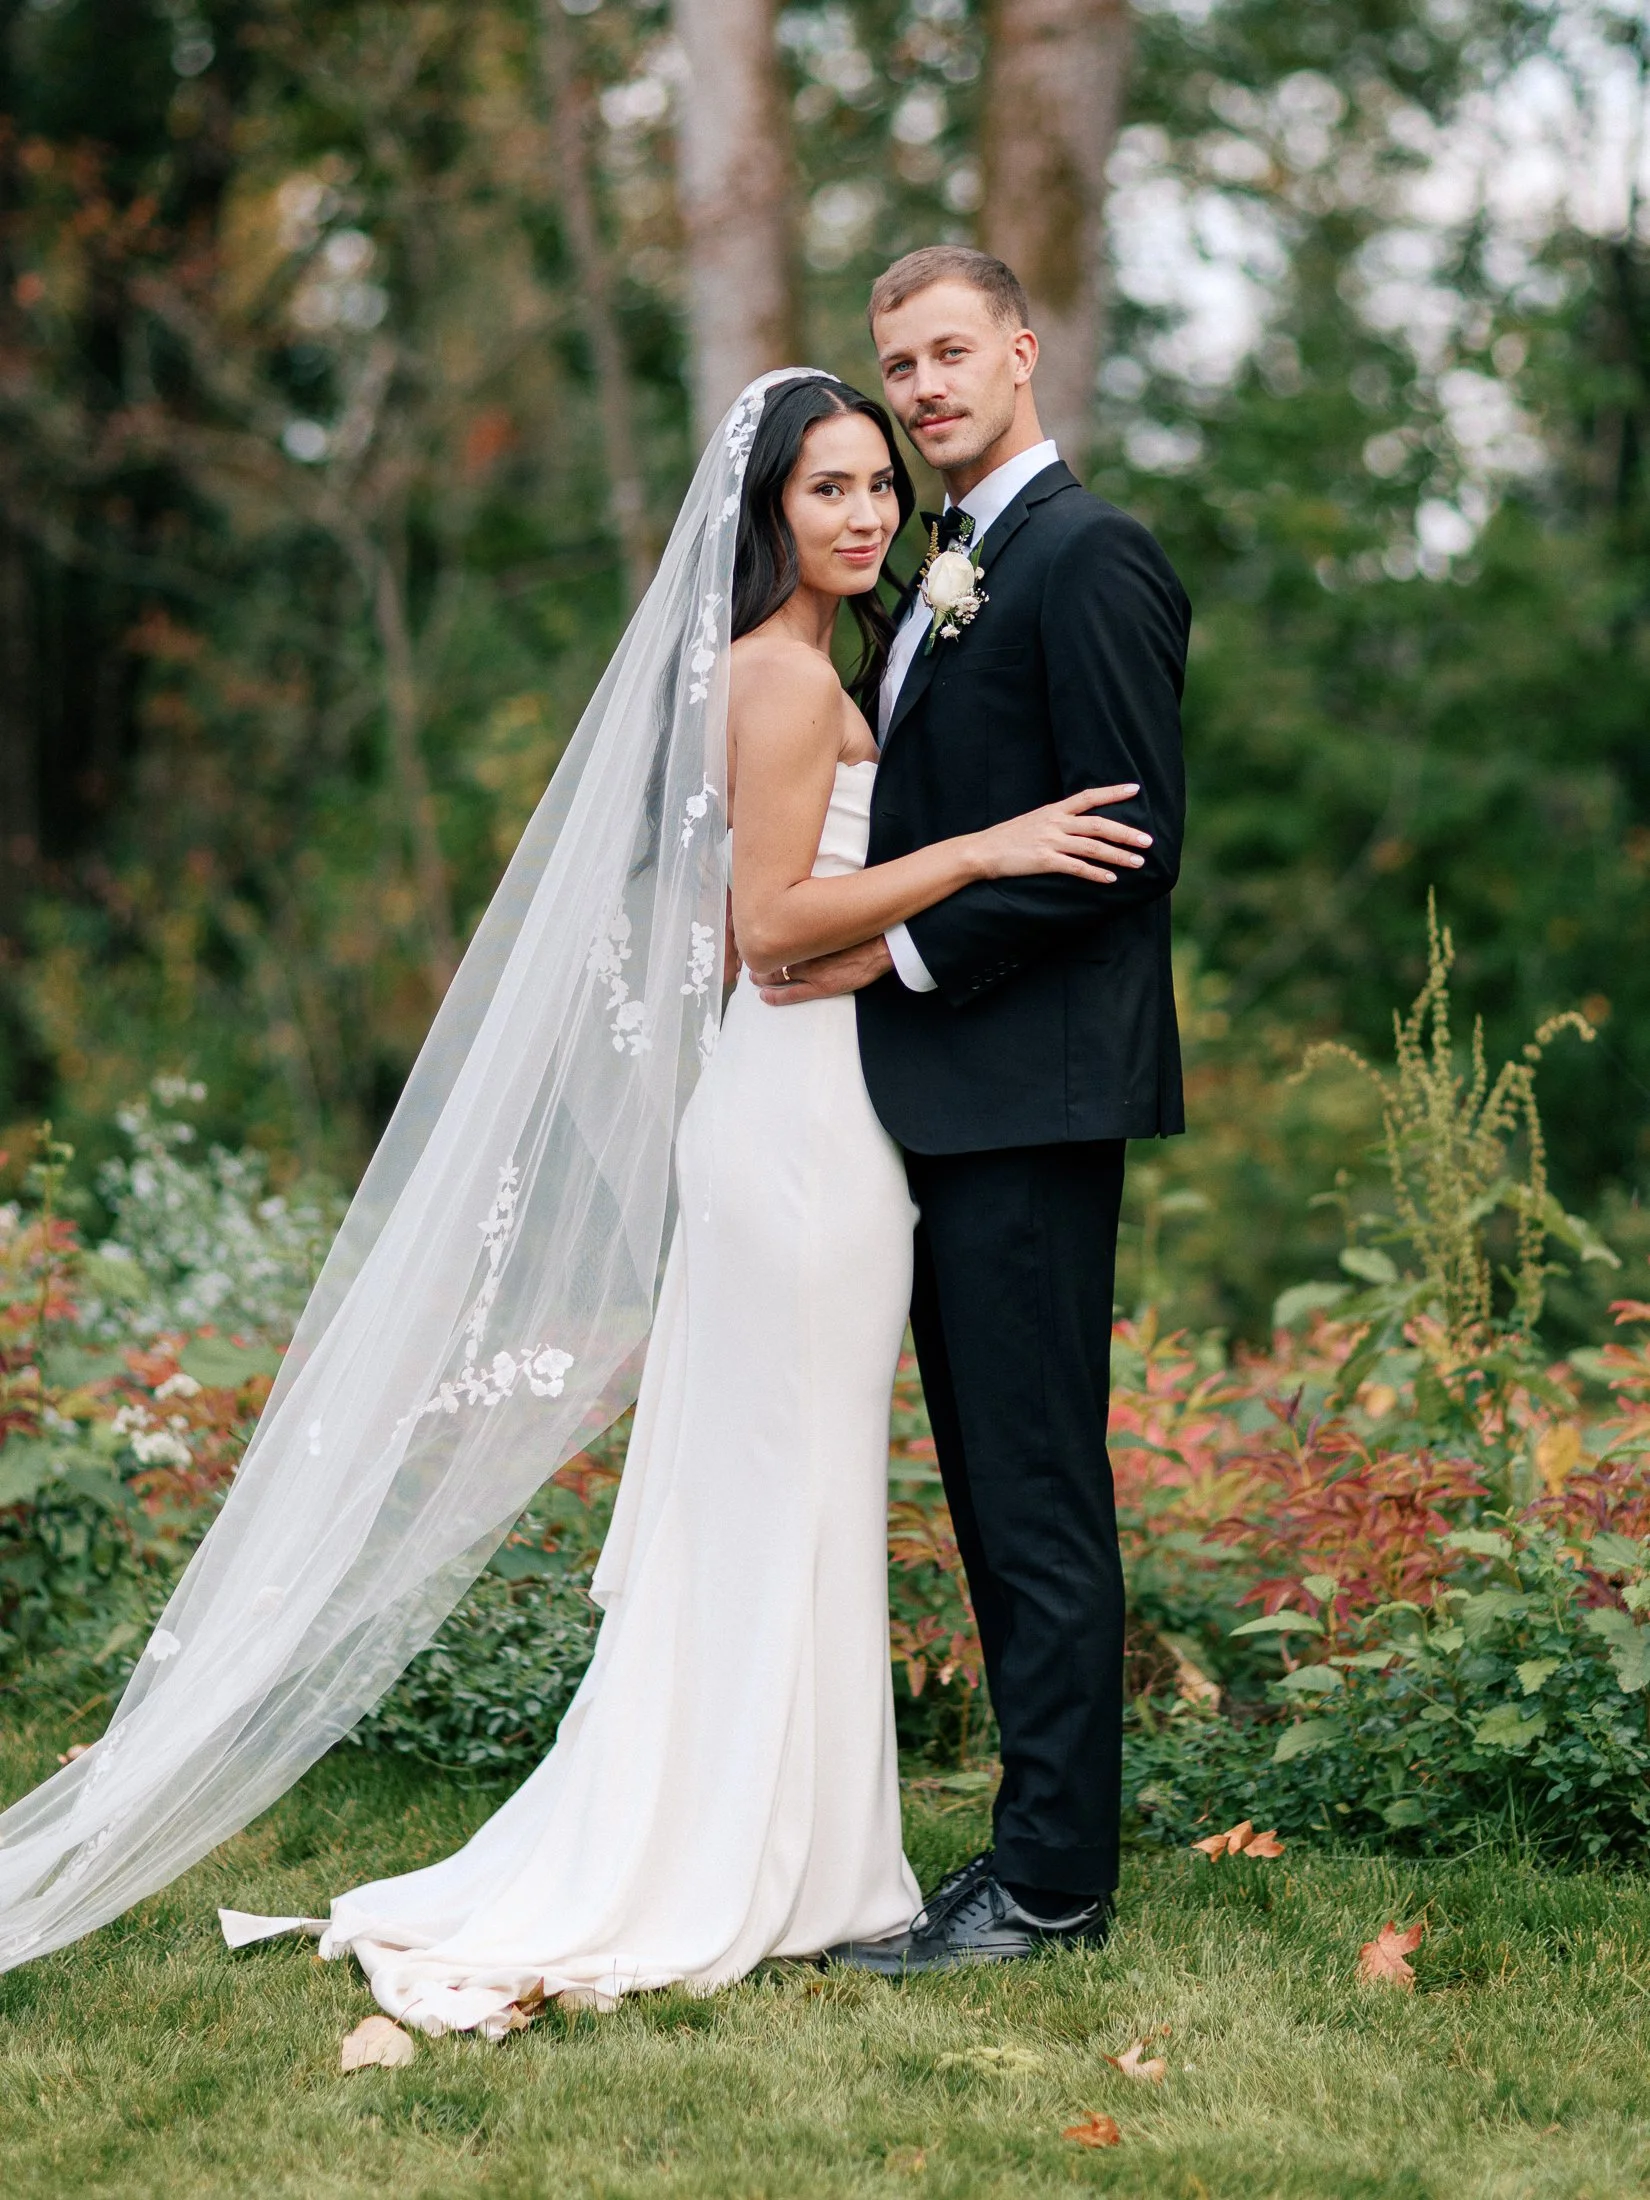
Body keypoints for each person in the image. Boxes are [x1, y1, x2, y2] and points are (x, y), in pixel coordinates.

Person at [0, 367, 1148, 2028]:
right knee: (778, 1488)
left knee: (803, 1486)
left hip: (842, 1116)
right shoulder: (769, 680)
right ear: (765, 517)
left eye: (876, 488)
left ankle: (812, 1853)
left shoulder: (828, 660)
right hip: (797, 1137)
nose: (864, 513)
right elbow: (767, 928)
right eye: (825, 488)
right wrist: (984, 852)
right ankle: (713, 1853)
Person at [756, 249, 1191, 1974]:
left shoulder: (1087, 558)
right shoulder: (949, 567)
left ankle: (1053, 1885)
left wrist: (903, 959)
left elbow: (1129, 840)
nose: (923, 388)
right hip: (949, 1109)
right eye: (898, 364)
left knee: (1029, 1492)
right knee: (996, 1491)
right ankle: (1024, 1854)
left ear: (1021, 351)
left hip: (1025, 1098)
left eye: (950, 355)